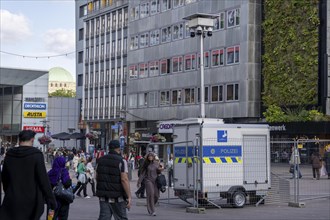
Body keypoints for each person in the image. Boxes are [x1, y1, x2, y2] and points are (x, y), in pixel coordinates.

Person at [0, 130, 56, 220]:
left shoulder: (10, 154)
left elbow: (4, 177)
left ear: (19, 140)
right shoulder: (36, 155)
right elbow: (43, 179)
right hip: (31, 200)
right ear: (32, 140)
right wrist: (51, 199)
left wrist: (10, 191)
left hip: (12, 198)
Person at [96, 140, 132, 220]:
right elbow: (124, 179)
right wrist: (129, 196)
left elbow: (97, 177)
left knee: (104, 218)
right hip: (118, 197)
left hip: (104, 196)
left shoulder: (100, 160)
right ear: (119, 149)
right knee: (121, 217)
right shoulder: (122, 161)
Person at [137, 152, 164, 216]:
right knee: (151, 194)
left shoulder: (156, 163)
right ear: (147, 157)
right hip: (148, 180)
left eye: (151, 156)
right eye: (149, 156)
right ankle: (152, 210)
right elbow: (142, 174)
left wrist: (161, 169)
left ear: (153, 157)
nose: (150, 157)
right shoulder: (146, 164)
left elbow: (159, 171)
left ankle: (150, 204)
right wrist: (139, 182)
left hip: (155, 181)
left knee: (156, 196)